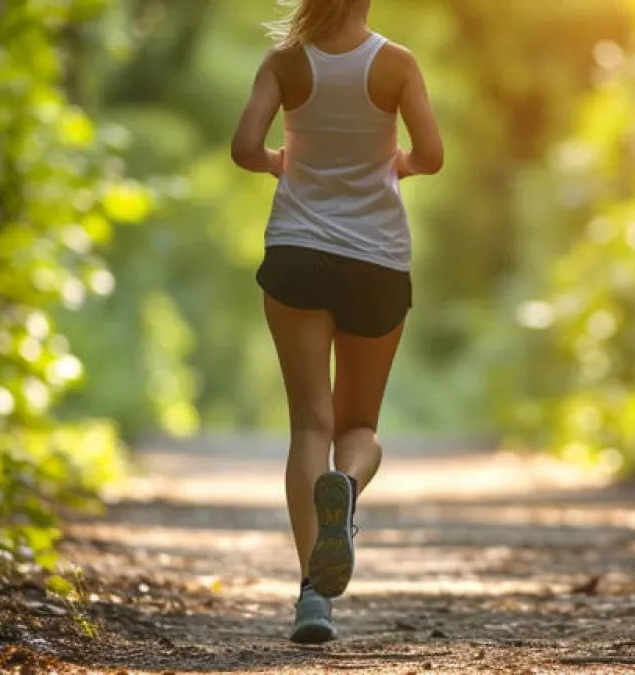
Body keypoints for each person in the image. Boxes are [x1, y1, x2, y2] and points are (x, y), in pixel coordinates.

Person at [230, 0, 443, 645]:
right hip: (376, 260)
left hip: (297, 252)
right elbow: (430, 156)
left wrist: (278, 162)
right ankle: (344, 489)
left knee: (309, 427)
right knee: (359, 427)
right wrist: (395, 164)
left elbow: (244, 148)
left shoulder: (285, 63)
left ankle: (313, 600)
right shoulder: (397, 64)